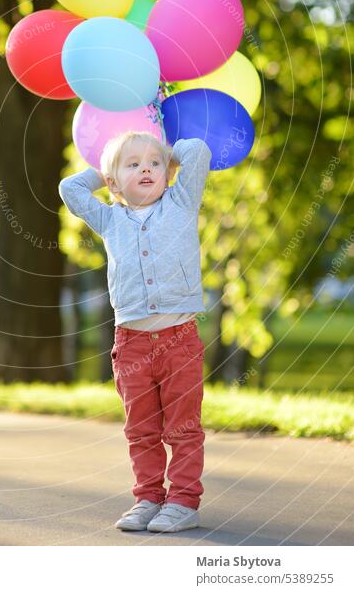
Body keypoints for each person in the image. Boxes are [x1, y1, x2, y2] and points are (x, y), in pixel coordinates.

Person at [58, 130, 212, 533]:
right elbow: (70, 188)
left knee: (182, 426)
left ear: (167, 171)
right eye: (133, 164)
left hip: (179, 337)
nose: (146, 168)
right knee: (140, 428)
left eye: (154, 163)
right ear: (112, 181)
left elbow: (196, 151)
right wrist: (106, 167)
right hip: (131, 343)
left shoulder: (181, 202)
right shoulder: (109, 218)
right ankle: (148, 498)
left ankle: (182, 501)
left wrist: (167, 149)